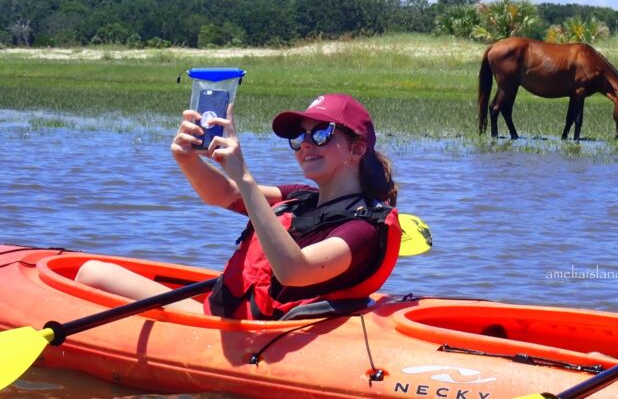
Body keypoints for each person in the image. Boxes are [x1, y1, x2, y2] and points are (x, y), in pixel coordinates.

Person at [75, 94, 401, 320]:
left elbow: (295, 270)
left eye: (320, 134)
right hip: (235, 319)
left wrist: (244, 175)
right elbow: (225, 193)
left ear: (357, 148)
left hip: (251, 333)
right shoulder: (300, 197)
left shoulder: (363, 229)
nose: (304, 145)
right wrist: (186, 158)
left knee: (91, 273)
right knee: (92, 270)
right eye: (299, 138)